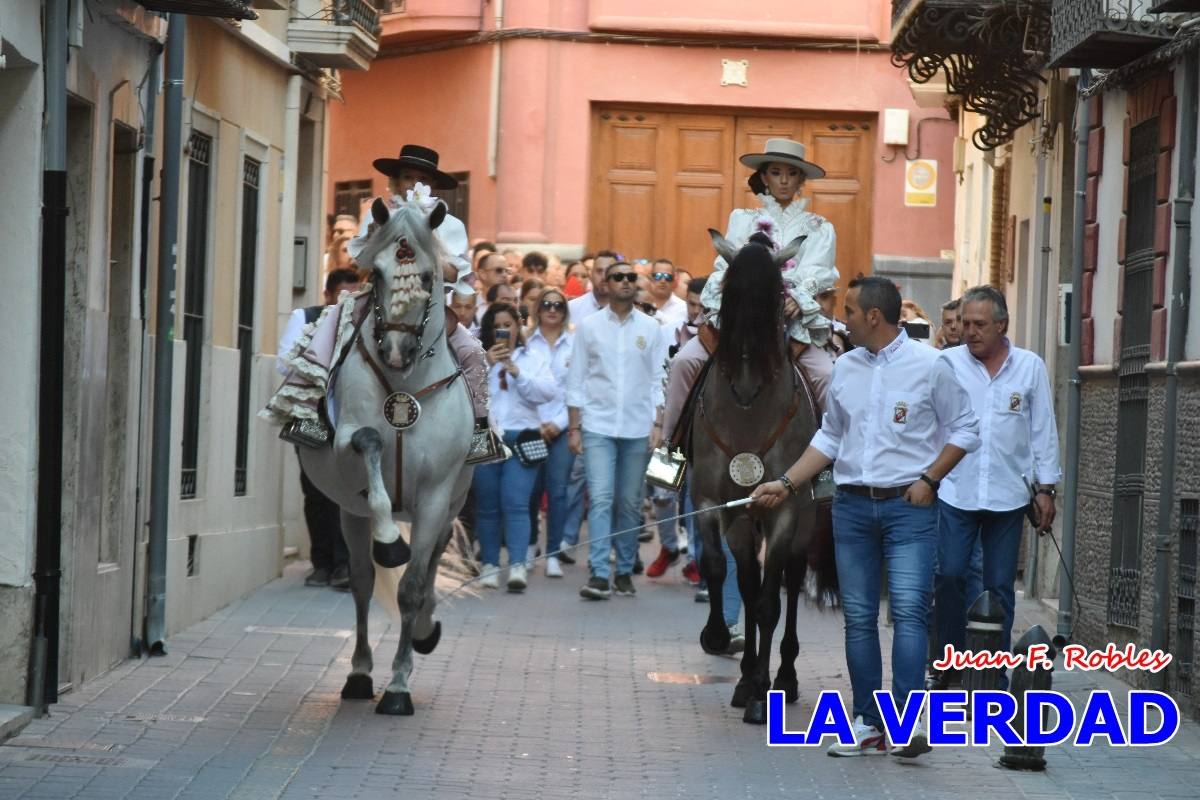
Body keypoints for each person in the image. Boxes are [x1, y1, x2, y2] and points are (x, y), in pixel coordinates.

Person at [751, 276, 980, 759]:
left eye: (850, 311)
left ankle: (909, 720)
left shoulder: (931, 365)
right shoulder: (845, 368)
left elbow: (965, 428)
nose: (844, 319)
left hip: (909, 508)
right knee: (858, 618)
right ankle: (866, 722)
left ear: (874, 316)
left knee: (910, 613)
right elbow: (829, 438)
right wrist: (786, 483)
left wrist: (931, 480)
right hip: (852, 507)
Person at [929, 286, 1060, 690]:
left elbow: (1043, 430)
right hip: (956, 489)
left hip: (1008, 494)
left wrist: (1046, 489)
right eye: (965, 323)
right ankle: (947, 666)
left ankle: (991, 674)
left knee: (999, 585)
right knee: (949, 576)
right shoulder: (946, 364)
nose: (969, 332)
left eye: (979, 324)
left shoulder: (1030, 367)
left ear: (1001, 325)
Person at [567, 260, 666, 599]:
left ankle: (624, 570)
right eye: (618, 277)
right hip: (598, 425)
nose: (625, 282)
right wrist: (574, 427)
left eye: (630, 277)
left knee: (629, 502)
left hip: (638, 427)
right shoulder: (590, 326)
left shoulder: (652, 328)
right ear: (606, 284)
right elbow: (576, 378)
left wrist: (657, 422)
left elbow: (658, 379)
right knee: (601, 498)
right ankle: (597, 572)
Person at [276, 267, 362, 590]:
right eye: (343, 296)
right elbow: (283, 363)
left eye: (355, 296)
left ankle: (345, 563)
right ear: (327, 295)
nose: (349, 302)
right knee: (314, 490)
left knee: (348, 490)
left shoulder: (365, 325)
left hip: (349, 418)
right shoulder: (305, 317)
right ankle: (322, 562)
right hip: (310, 416)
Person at [474, 303, 558, 592]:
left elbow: (547, 393)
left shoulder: (534, 356)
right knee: (487, 505)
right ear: (488, 330)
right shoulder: (475, 357)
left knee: (516, 502)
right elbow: (464, 390)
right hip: (486, 435)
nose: (504, 331)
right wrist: (486, 363)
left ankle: (518, 564)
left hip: (523, 435)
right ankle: (489, 564)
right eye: (498, 326)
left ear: (517, 327)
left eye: (509, 325)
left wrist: (517, 372)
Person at [525, 288, 575, 578]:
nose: (552, 309)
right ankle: (531, 546)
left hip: (563, 425)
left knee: (557, 492)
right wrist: (539, 423)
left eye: (558, 305)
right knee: (531, 491)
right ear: (538, 308)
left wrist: (557, 423)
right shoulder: (525, 340)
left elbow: (577, 387)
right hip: (531, 425)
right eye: (546, 304)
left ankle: (554, 552)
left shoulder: (575, 343)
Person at [568, 250, 617, 321]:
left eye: (609, 271)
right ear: (591, 275)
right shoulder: (572, 308)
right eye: (599, 271)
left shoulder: (626, 311)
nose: (604, 276)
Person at [645, 258, 688, 331]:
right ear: (650, 278)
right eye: (658, 276)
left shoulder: (684, 308)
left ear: (674, 280)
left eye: (668, 277)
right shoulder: (641, 305)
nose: (663, 281)